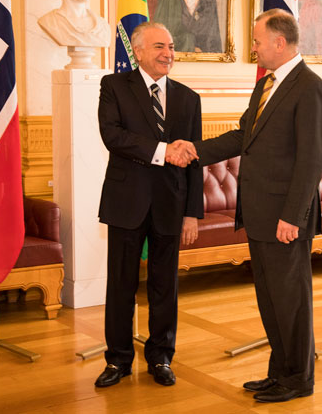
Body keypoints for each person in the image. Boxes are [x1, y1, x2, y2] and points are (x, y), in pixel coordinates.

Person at [170, 9, 322, 403]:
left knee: (291, 302)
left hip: (283, 219)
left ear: (279, 42)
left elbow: (312, 160)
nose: (253, 47)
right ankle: (280, 373)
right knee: (271, 298)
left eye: (257, 40)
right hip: (258, 214)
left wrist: (292, 217)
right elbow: (245, 135)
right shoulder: (267, 85)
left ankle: (299, 379)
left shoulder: (310, 88)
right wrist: (196, 152)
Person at [94, 21, 203, 389]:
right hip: (127, 201)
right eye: (159, 47)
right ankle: (118, 360)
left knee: (164, 287)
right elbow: (113, 136)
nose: (168, 54)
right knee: (121, 285)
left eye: (171, 47)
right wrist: (162, 151)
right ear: (138, 51)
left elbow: (194, 162)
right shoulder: (114, 87)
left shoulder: (189, 98)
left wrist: (192, 212)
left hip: (171, 206)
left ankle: (160, 356)